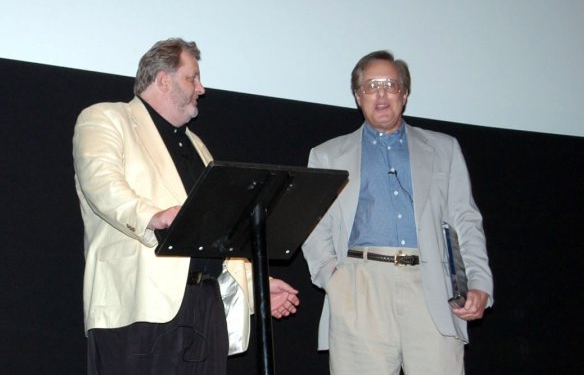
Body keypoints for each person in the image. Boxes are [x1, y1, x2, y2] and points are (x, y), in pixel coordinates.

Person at [73, 38, 300, 375]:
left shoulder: (197, 146)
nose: (201, 88)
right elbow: (101, 183)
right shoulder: (105, 118)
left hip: (205, 306)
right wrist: (153, 215)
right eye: (192, 78)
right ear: (163, 80)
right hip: (138, 303)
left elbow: (217, 231)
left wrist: (258, 286)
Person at [302, 50, 493, 375]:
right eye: (371, 85)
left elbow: (465, 219)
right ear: (358, 95)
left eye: (390, 84)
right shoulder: (327, 155)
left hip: (431, 287)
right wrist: (334, 279)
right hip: (359, 288)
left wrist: (479, 281)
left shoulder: (444, 148)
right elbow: (312, 225)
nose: (381, 93)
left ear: (404, 94)